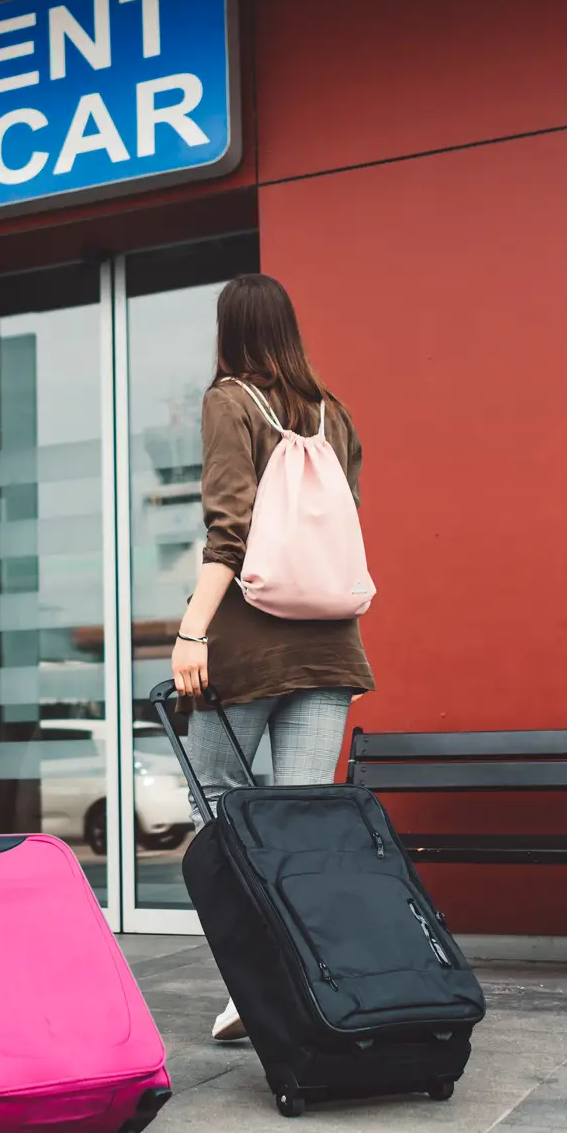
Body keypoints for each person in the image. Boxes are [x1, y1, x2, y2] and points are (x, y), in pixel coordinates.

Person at [171, 273, 374, 1044]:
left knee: (219, 806)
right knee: (302, 828)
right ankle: (306, 983)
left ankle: (256, 981)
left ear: (230, 331)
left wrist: (192, 630)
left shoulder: (229, 402)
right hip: (331, 648)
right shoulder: (334, 414)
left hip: (248, 650)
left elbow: (228, 532)